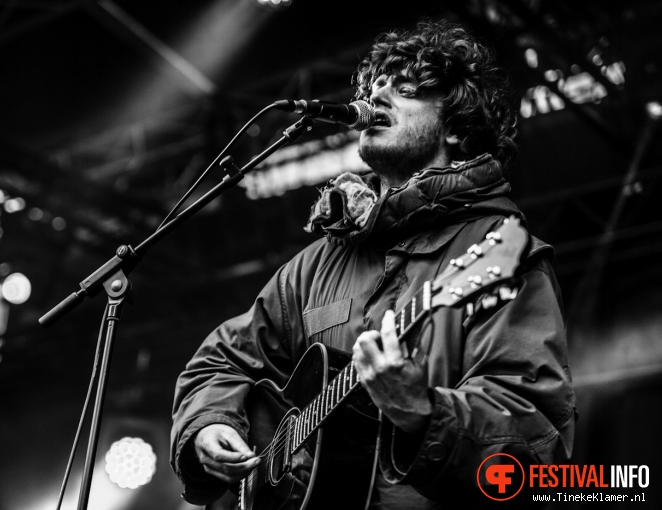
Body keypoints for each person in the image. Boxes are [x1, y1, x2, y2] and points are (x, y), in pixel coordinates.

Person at [170, 19, 576, 509]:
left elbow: (538, 448)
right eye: (375, 85)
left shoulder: (497, 252)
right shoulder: (315, 265)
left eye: (406, 89)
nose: (379, 93)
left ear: (455, 127)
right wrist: (211, 421)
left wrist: (426, 413)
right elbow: (221, 359)